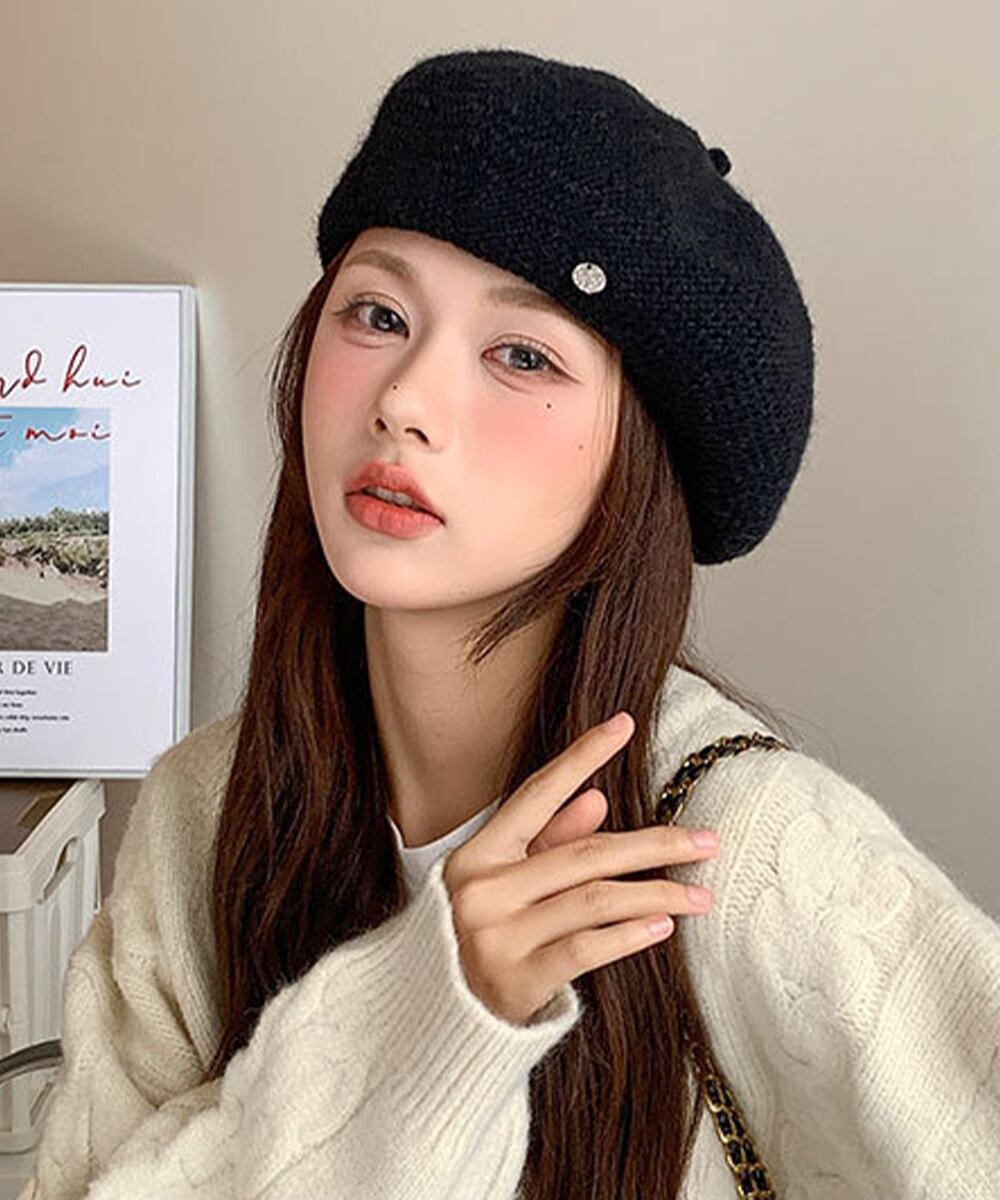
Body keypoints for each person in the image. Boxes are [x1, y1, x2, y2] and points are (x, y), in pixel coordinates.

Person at [19, 47, 1000, 1200]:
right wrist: (428, 1015)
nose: (404, 400)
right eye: (376, 313)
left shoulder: (737, 852)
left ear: (633, 459)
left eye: (522, 355)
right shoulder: (203, 812)